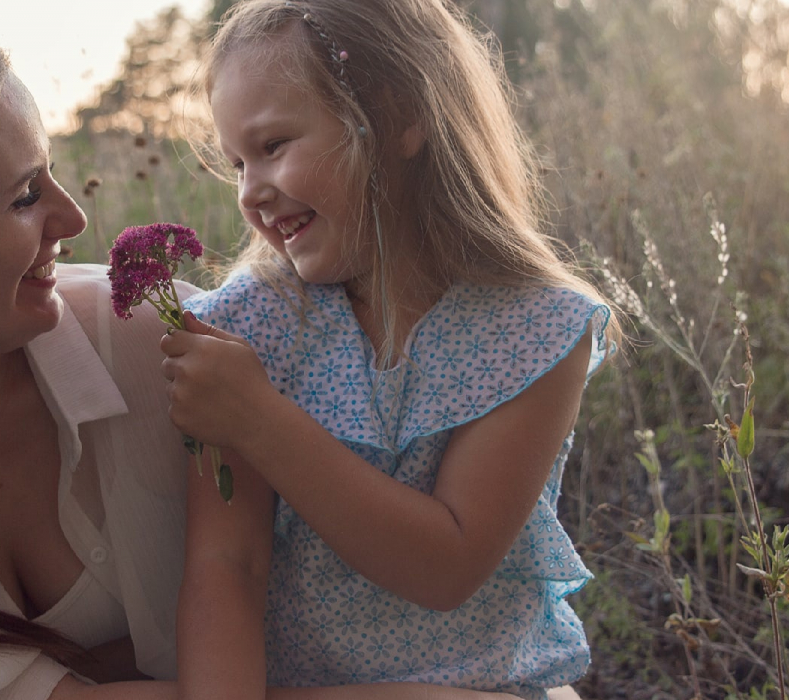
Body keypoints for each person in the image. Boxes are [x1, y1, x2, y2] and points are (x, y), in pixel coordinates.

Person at [0, 3, 523, 700]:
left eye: (54, 176)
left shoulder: (169, 349)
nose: (73, 220)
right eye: (24, 196)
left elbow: (416, 535)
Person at [161, 1, 622, 699]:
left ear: (398, 115)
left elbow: (447, 565)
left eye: (274, 145)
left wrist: (256, 417)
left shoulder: (533, 328)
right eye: (236, 163)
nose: (251, 194)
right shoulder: (248, 327)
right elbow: (229, 565)